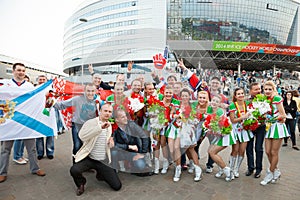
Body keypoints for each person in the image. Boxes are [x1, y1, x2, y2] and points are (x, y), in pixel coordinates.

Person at [0, 63, 46, 183]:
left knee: (32, 148)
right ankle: (2, 172)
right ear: (13, 71)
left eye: (23, 71)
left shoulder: (30, 86)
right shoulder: (5, 85)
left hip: (26, 122)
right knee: (5, 149)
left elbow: (37, 98)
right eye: (19, 70)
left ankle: (35, 168)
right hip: (10, 122)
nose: (21, 72)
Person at [70, 104, 121, 196]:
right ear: (100, 111)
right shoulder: (91, 122)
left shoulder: (109, 125)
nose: (107, 113)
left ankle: (100, 174)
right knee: (74, 170)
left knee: (117, 186)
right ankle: (81, 184)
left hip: (103, 160)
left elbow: (108, 140)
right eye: (105, 111)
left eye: (110, 112)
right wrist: (99, 128)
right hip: (89, 158)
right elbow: (82, 136)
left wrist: (111, 142)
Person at [54, 83, 98, 161]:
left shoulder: (98, 101)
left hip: (90, 127)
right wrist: (50, 101)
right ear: (84, 91)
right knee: (77, 146)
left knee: (88, 146)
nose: (90, 93)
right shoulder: (77, 99)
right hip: (78, 125)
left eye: (92, 91)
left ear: (95, 91)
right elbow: (62, 105)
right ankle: (76, 164)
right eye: (88, 91)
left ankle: (86, 165)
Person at [260, 81, 288, 185]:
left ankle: (269, 173)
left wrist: (272, 118)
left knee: (273, 152)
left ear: (273, 89)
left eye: (269, 89)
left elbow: (283, 115)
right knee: (267, 151)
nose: (267, 91)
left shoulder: (277, 99)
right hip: (268, 127)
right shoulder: (263, 100)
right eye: (265, 89)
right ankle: (276, 171)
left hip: (277, 127)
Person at [111, 108, 151, 175]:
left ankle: (133, 166)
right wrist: (128, 146)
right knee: (113, 152)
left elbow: (144, 136)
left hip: (132, 152)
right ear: (117, 120)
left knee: (141, 166)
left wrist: (142, 153)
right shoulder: (113, 128)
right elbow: (113, 144)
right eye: (123, 117)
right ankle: (114, 171)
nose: (126, 118)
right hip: (120, 152)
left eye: (125, 116)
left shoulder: (131, 124)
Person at [206, 95, 236, 182]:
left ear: (219, 104)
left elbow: (222, 126)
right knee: (211, 151)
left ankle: (228, 172)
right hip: (217, 134)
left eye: (216, 101)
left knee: (212, 152)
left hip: (225, 134)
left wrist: (211, 127)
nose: (214, 103)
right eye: (213, 100)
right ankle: (222, 169)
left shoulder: (220, 111)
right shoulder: (209, 109)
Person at [177, 88, 202, 182]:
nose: (184, 97)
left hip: (189, 130)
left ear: (189, 96)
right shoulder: (177, 105)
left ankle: (197, 170)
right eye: (182, 96)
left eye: (186, 96)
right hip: (179, 130)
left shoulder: (193, 106)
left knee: (191, 149)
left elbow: (196, 119)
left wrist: (190, 119)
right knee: (179, 149)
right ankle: (178, 169)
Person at [228, 88, 253, 179]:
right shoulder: (232, 105)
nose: (241, 95)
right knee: (235, 150)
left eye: (242, 93)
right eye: (238, 94)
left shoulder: (247, 104)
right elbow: (233, 120)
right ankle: (230, 169)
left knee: (242, 151)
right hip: (236, 130)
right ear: (235, 96)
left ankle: (236, 169)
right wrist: (243, 117)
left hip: (245, 130)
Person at [245, 82, 266, 178]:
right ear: (250, 91)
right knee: (249, 148)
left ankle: (258, 169)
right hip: (249, 127)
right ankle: (250, 167)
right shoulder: (246, 101)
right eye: (256, 89)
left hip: (261, 127)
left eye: (259, 89)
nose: (258, 91)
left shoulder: (264, 99)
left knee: (258, 148)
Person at [35, 75, 55, 160]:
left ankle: (50, 152)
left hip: (49, 113)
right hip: (37, 114)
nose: (42, 81)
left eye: (44, 79)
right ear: (37, 80)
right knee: (38, 134)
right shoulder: (34, 89)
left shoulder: (51, 89)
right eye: (40, 79)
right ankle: (40, 152)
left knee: (49, 134)